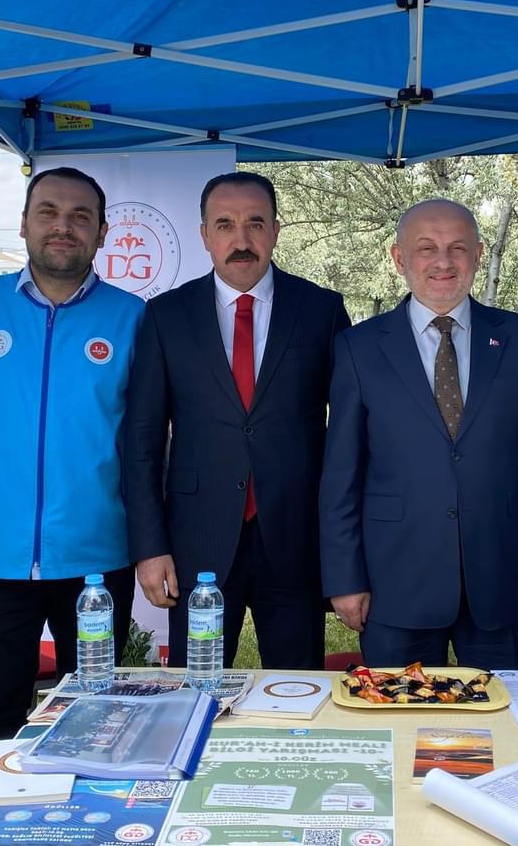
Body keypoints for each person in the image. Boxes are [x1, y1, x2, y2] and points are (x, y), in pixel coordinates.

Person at [0, 166, 144, 787]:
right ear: (26, 223)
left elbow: (146, 440)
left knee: (98, 715)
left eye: (80, 215)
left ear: (103, 232)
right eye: (49, 212)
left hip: (96, 559)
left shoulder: (134, 319)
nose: (63, 226)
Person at [318, 198, 518, 669]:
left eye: (457, 248)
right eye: (426, 248)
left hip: (505, 581)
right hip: (396, 584)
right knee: (400, 726)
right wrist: (344, 577)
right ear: (398, 258)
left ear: (478, 254)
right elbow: (341, 476)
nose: (442, 261)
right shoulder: (358, 349)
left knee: (509, 729)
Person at [124, 172, 350, 670]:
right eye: (224, 224)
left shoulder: (321, 310)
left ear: (275, 229)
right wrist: (149, 546)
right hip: (195, 541)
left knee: (298, 696)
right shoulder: (166, 316)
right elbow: (140, 441)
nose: (241, 240)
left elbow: (351, 436)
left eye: (255, 223)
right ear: (204, 233)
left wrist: (345, 552)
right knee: (195, 699)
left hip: (294, 536)